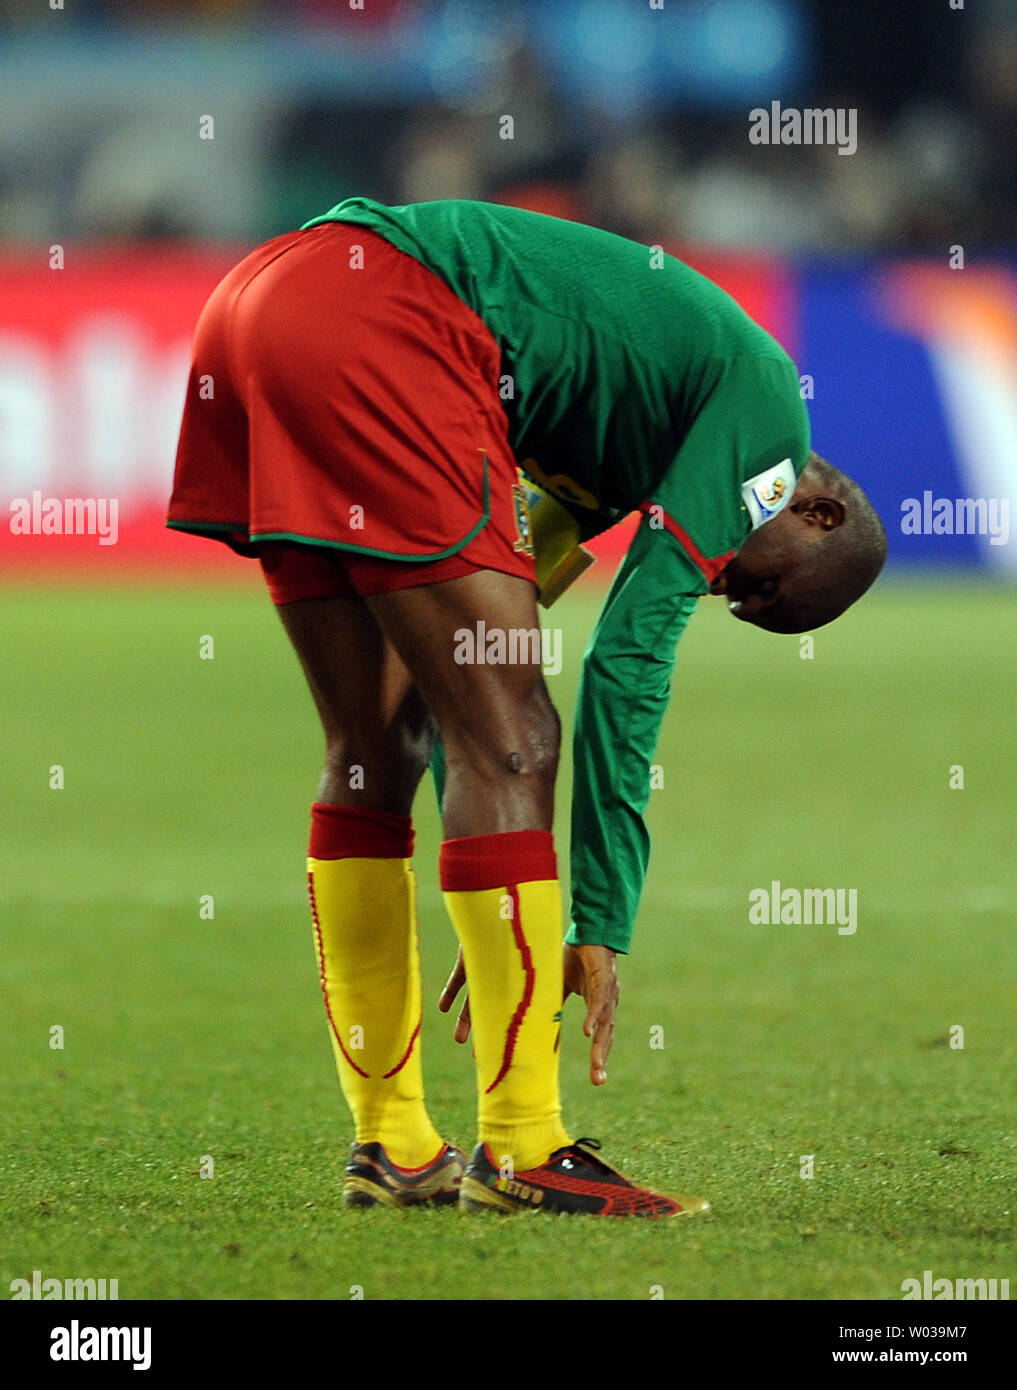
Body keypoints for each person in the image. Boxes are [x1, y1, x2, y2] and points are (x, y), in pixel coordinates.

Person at [167, 198, 886, 1217]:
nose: (726, 584)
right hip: (390, 322)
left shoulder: (631, 431)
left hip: (259, 300)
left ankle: (395, 1143)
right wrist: (595, 916)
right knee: (519, 737)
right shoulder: (770, 417)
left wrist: (501, 879)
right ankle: (522, 1148)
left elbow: (488, 628)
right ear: (815, 510)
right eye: (755, 587)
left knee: (378, 743)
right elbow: (627, 655)